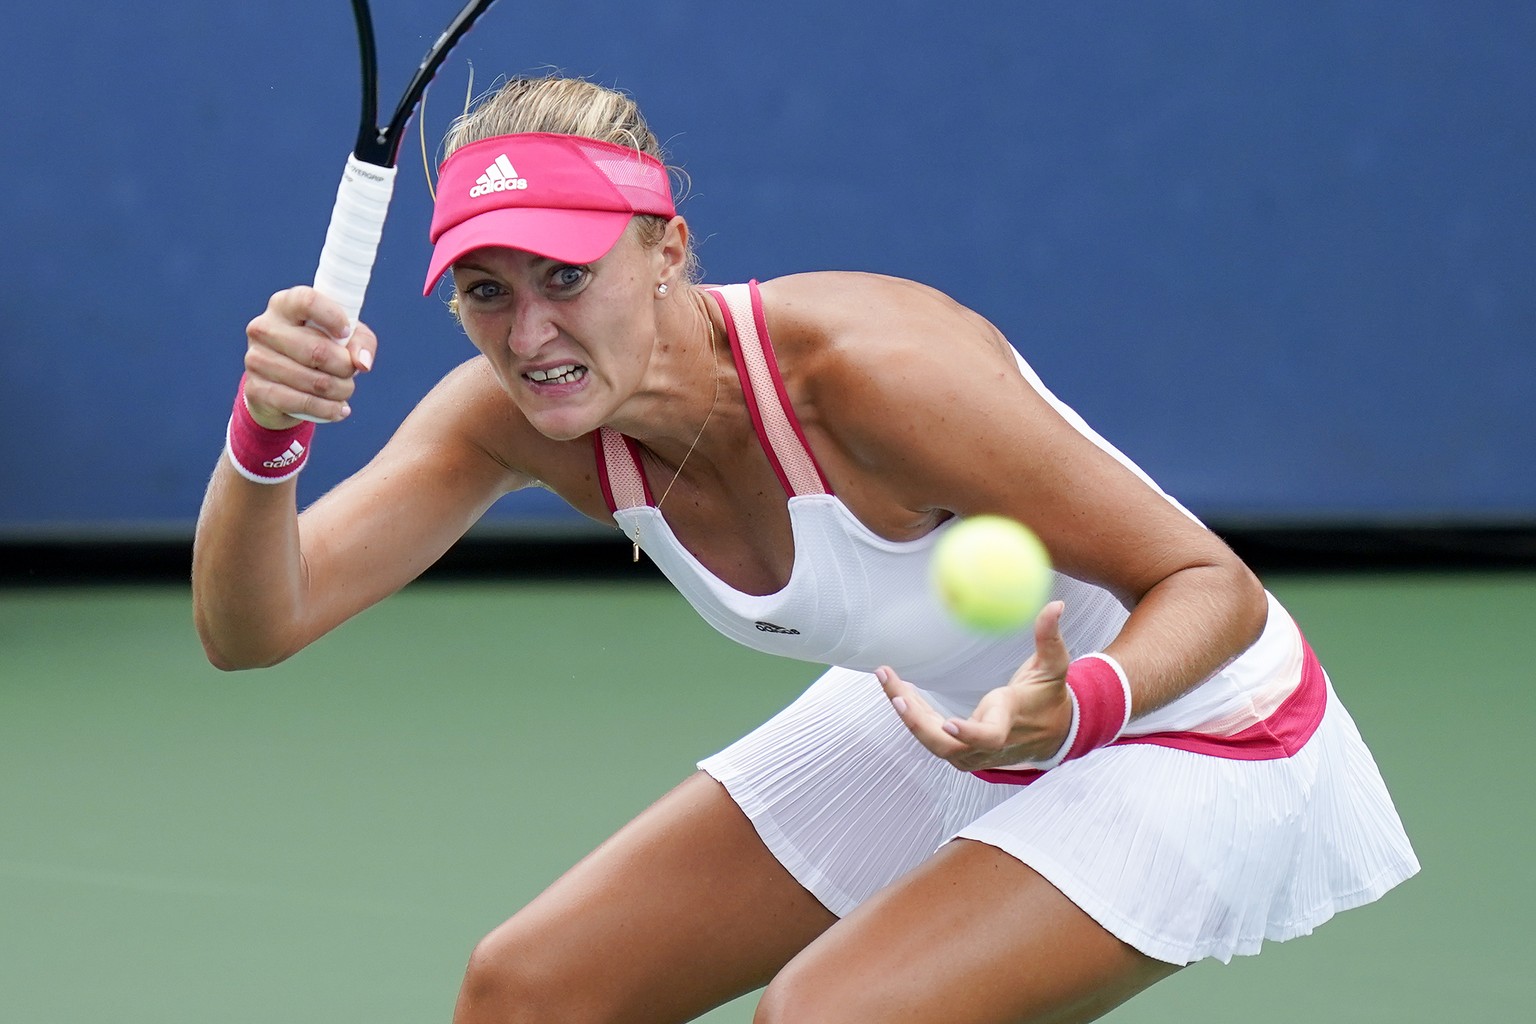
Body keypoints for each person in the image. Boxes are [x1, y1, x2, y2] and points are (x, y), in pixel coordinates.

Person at [193, 75, 1418, 1023]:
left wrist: (1083, 703)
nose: (531, 331)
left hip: (1198, 722)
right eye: (486, 290)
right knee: (528, 991)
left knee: (830, 1014)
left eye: (568, 274)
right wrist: (267, 433)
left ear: (666, 247)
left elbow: (1218, 587)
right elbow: (251, 628)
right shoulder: (505, 420)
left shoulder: (875, 375)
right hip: (950, 707)